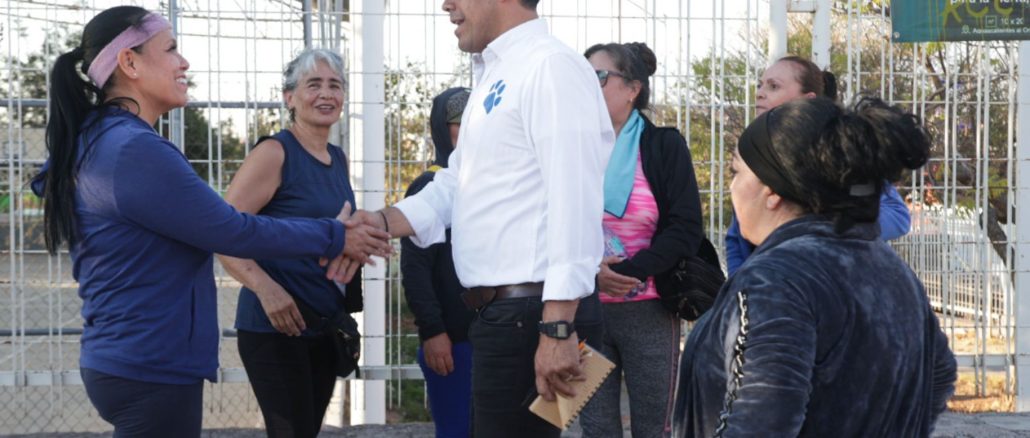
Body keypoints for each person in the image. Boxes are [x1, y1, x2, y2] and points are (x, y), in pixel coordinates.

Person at [35, 7, 390, 437]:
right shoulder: (134, 150)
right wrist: (334, 235)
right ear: (129, 63)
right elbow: (232, 228)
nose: (183, 62)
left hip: (129, 358)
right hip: (151, 364)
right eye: (171, 49)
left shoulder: (104, 140)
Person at [348, 0, 615, 436]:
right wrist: (382, 222)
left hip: (536, 318)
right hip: (508, 319)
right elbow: (459, 181)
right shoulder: (497, 71)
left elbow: (576, 196)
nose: (445, 4)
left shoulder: (551, 67)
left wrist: (559, 324)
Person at [672, 97, 957, 437]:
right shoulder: (891, 267)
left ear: (772, 190)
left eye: (737, 172)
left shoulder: (774, 279)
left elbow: (761, 422)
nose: (732, 186)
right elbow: (939, 374)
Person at [216, 49, 362, 438]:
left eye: (335, 85)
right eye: (313, 84)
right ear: (289, 97)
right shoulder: (274, 153)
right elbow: (222, 232)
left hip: (322, 323)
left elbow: (336, 231)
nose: (326, 94)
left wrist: (357, 246)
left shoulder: (338, 158)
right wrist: (267, 289)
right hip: (274, 326)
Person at [578, 42, 703, 438]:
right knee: (595, 427)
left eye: (597, 78)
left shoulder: (664, 145)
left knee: (655, 428)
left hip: (648, 308)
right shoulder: (567, 147)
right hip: (581, 307)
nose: (585, 88)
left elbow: (685, 227)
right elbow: (546, 223)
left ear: (632, 89)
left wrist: (628, 272)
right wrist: (592, 273)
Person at [724, 55, 911, 275]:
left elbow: (898, 215)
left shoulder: (836, 150)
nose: (760, 92)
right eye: (760, 84)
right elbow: (735, 237)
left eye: (773, 86)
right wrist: (739, 284)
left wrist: (826, 231)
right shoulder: (754, 148)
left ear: (808, 99)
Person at [400, 87, 475, 438]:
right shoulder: (428, 186)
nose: (470, 129)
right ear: (441, 129)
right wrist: (432, 331)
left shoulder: (497, 182)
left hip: (500, 337)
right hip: (453, 341)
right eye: (458, 122)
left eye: (476, 120)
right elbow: (415, 269)